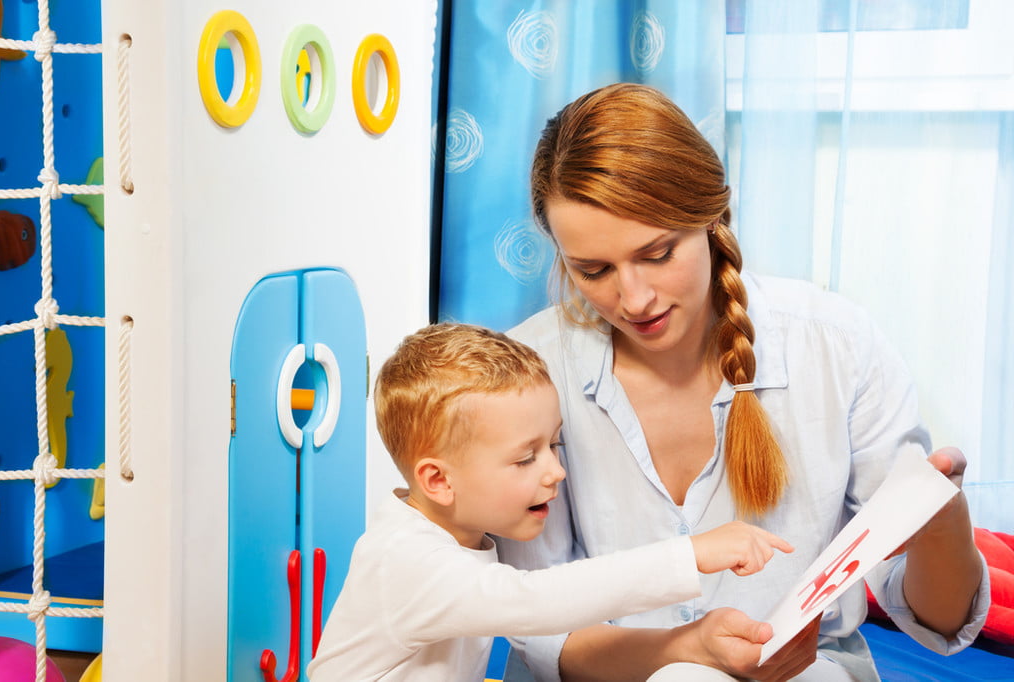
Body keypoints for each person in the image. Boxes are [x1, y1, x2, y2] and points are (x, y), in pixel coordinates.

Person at [497, 83, 989, 682]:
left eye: (658, 254)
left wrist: (943, 523)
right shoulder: (526, 373)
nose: (634, 298)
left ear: (710, 217)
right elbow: (537, 622)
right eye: (593, 270)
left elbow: (940, 623)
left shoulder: (837, 345)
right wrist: (684, 652)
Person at [306, 322, 794, 682]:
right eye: (525, 459)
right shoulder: (408, 560)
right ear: (438, 481)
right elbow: (534, 601)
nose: (556, 471)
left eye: (554, 445)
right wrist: (690, 554)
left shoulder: (453, 539)